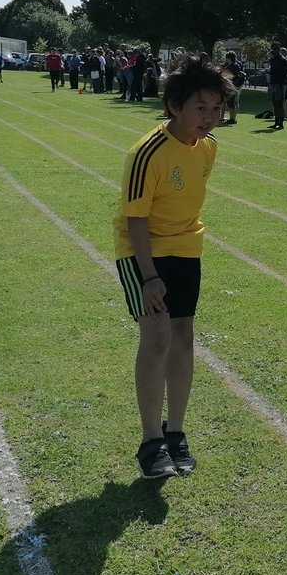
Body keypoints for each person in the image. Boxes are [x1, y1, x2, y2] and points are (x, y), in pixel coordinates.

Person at [113, 55, 233, 479]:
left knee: (183, 336)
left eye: (217, 108)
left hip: (186, 248)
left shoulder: (209, 148)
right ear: (176, 106)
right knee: (158, 336)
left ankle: (175, 433)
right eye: (201, 107)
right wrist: (149, 277)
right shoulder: (147, 152)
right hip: (142, 250)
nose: (210, 117)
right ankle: (150, 442)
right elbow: (136, 217)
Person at [267, 43, 287, 130]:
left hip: (280, 84)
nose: (273, 51)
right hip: (273, 83)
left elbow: (284, 73)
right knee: (274, 103)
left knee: (279, 104)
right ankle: (276, 122)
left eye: (275, 49)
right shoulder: (272, 60)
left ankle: (280, 123)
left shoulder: (283, 60)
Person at [220, 51, 246, 123]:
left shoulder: (232, 67)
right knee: (232, 103)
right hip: (234, 86)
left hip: (231, 86)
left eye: (227, 58)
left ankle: (232, 119)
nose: (226, 59)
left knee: (230, 103)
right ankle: (232, 118)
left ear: (229, 58)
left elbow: (231, 77)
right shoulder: (236, 65)